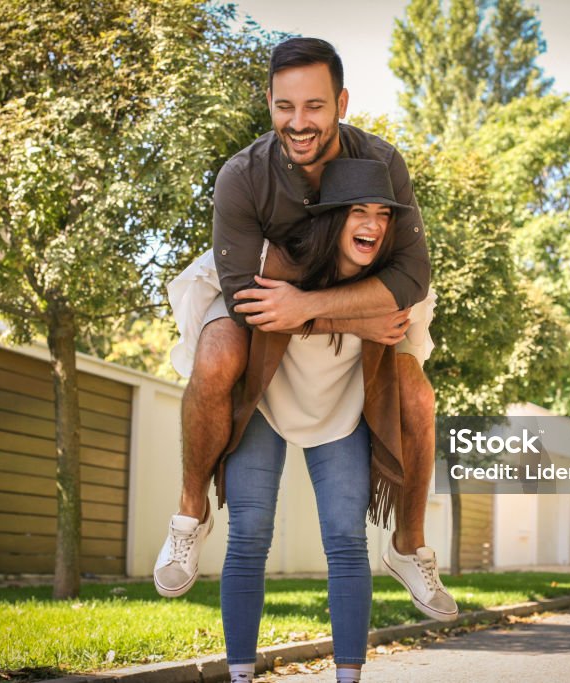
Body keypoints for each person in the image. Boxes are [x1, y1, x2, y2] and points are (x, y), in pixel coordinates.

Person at [154, 37, 453, 621]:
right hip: (263, 289)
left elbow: (412, 275)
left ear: (340, 102)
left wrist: (312, 309)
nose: (299, 122)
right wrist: (317, 310)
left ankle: (408, 545)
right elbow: (246, 297)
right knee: (216, 357)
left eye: (314, 106)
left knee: (419, 397)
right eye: (284, 106)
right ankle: (191, 511)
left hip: (351, 288)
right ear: (269, 102)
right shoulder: (242, 176)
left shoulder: (381, 161)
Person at [185, 158, 443, 683]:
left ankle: (349, 676)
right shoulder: (284, 258)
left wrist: (332, 314)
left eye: (383, 215)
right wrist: (322, 312)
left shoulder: (394, 280)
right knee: (250, 533)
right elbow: (220, 281)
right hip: (266, 399)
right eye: (358, 212)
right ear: (332, 218)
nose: (372, 224)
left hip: (340, 410)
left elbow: (404, 341)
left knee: (346, 540)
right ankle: (239, 676)